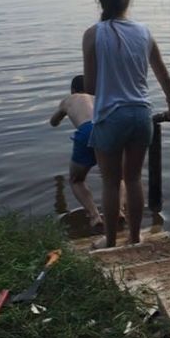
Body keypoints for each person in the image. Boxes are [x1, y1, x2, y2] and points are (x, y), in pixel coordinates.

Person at [83, 0, 170, 248]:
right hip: (141, 115)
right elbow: (164, 75)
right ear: (128, 0)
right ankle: (135, 238)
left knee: (112, 182)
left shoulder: (93, 34)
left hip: (110, 117)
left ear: (100, 2)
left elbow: (90, 86)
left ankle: (111, 242)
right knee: (134, 178)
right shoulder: (144, 32)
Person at [50, 75, 103, 229]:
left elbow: (53, 122)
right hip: (108, 128)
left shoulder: (69, 99)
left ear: (73, 90)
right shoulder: (98, 97)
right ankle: (119, 211)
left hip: (86, 131)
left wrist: (61, 114)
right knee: (116, 178)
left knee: (76, 180)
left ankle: (95, 216)